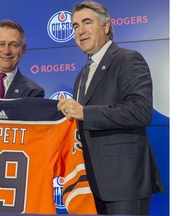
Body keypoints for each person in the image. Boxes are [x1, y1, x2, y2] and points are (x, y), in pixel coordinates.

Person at [57, 1, 164, 215]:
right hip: (90, 185)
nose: (80, 31)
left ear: (106, 26)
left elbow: (140, 111)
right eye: (75, 26)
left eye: (87, 22)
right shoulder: (82, 74)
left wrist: (84, 112)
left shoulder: (127, 59)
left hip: (124, 183)